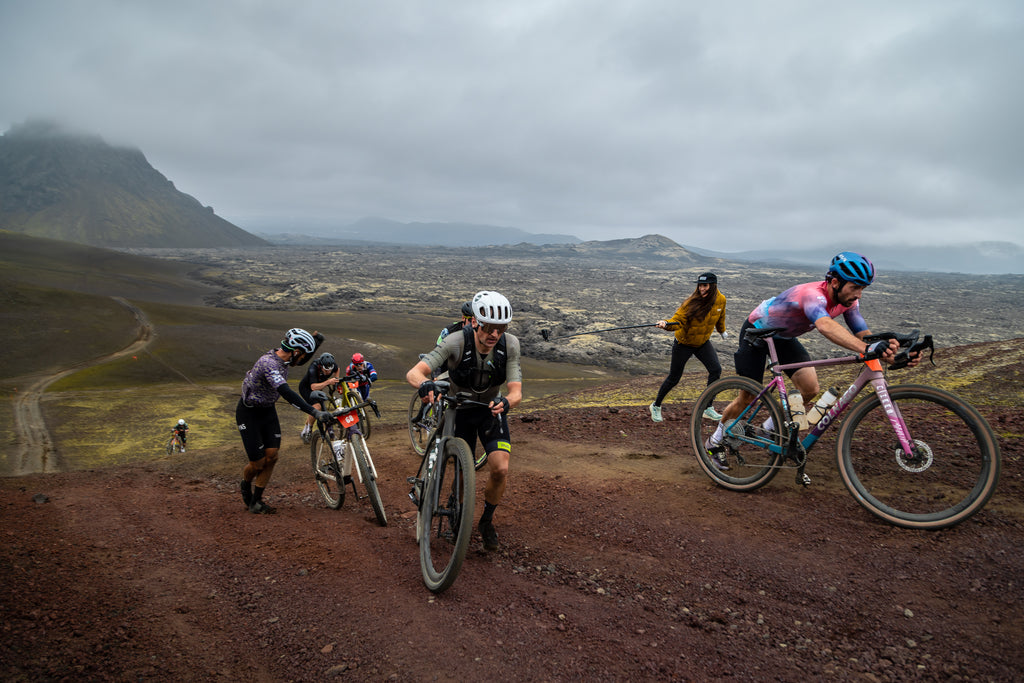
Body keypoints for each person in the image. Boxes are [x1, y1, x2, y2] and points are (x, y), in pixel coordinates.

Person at [705, 252, 918, 473]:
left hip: (783, 338)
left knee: (809, 388)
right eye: (855, 287)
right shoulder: (811, 295)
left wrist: (892, 355)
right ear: (835, 282)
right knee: (747, 396)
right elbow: (825, 325)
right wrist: (866, 349)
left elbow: (863, 334)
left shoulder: (848, 302)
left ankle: (769, 430)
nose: (859, 295)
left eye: (863, 288)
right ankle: (715, 441)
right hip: (756, 333)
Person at [407, 290, 522, 552]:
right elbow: (415, 371)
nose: (494, 334)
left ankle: (486, 521)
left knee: (501, 469)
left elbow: (516, 391)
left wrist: (507, 402)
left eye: (500, 328)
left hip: (490, 408)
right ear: (474, 322)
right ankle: (457, 507)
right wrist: (425, 384)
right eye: (489, 327)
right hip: (459, 408)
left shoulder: (510, 345)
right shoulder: (455, 342)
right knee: (461, 466)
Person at [236, 327, 334, 514]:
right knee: (257, 463)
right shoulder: (268, 364)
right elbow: (287, 394)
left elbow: (302, 359)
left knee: (272, 456)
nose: (303, 359)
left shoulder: (286, 357)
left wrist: (316, 342)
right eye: (302, 354)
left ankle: (256, 501)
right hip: (248, 413)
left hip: (267, 411)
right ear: (296, 351)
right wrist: (315, 411)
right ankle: (245, 483)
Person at [648, 272, 727, 424]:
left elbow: (720, 316)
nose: (702, 289)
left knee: (716, 370)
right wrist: (666, 324)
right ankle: (656, 405)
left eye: (705, 285)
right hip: (683, 343)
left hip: (702, 342)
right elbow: (678, 320)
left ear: (713, 286)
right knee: (674, 378)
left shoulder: (721, 300)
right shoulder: (691, 302)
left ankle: (707, 408)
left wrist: (722, 330)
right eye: (700, 286)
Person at [299, 352, 341, 444]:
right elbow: (313, 387)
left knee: (320, 409)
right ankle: (309, 430)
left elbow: (337, 369)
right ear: (321, 366)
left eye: (330, 370)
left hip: (319, 387)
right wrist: (329, 381)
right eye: (326, 370)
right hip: (307, 388)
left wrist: (336, 380)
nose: (328, 372)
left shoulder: (332, 364)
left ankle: (304, 430)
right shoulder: (313, 368)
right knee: (317, 407)